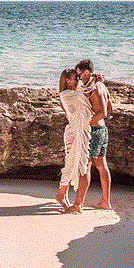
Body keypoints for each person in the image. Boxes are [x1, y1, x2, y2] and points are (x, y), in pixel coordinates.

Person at [74, 59, 113, 210]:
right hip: (102, 130)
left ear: (87, 72)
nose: (79, 78)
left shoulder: (95, 89)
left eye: (80, 74)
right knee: (102, 166)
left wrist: (86, 122)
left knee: (86, 165)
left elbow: (103, 112)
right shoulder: (102, 86)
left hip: (95, 131)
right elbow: (110, 109)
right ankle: (105, 202)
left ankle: (78, 204)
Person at [55, 68, 91, 213]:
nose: (73, 81)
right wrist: (95, 80)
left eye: (75, 78)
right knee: (71, 162)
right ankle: (61, 194)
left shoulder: (77, 90)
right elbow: (87, 94)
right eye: (70, 78)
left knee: (77, 162)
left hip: (81, 131)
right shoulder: (66, 94)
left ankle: (62, 194)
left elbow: (87, 91)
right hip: (72, 132)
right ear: (65, 80)